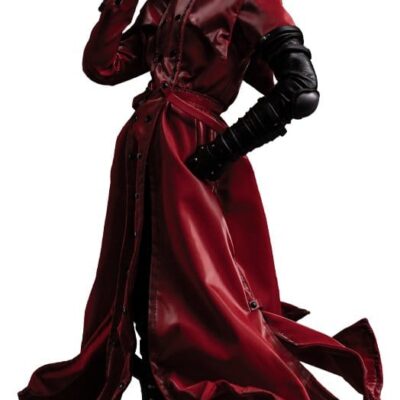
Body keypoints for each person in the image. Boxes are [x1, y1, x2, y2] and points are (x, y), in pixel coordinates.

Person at [18, 0, 384, 399]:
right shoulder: (160, 4)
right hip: (140, 150)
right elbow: (102, 67)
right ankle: (153, 385)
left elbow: (300, 88)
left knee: (202, 291)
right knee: (132, 283)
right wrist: (120, 7)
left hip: (191, 153)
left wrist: (223, 150)